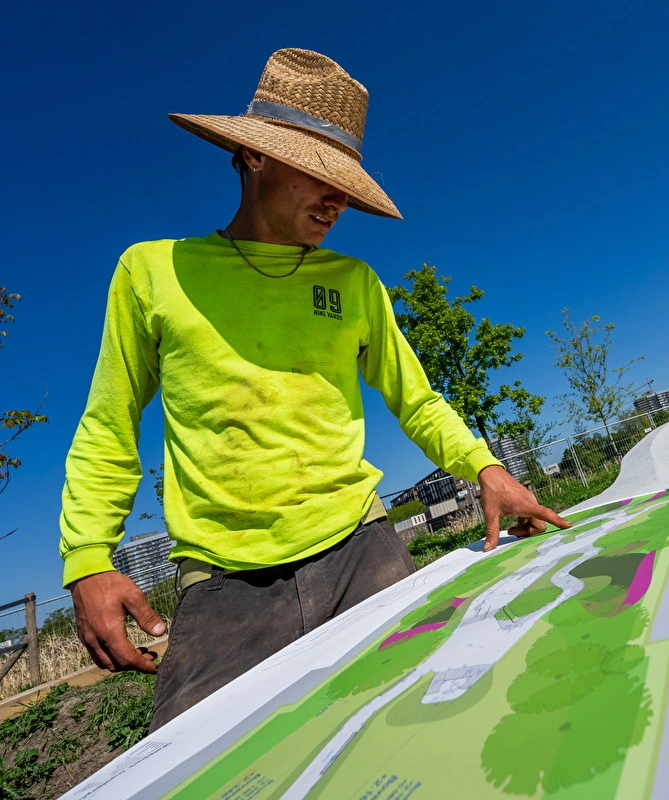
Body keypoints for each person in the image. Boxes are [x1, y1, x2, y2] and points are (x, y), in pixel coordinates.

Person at [59, 48, 570, 730]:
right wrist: (88, 558)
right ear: (254, 157)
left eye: (347, 184)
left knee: (434, 724)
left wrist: (485, 467)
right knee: (198, 765)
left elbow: (415, 400)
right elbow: (109, 422)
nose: (337, 200)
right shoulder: (153, 272)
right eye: (319, 174)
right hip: (224, 585)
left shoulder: (354, 283)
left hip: (364, 549)